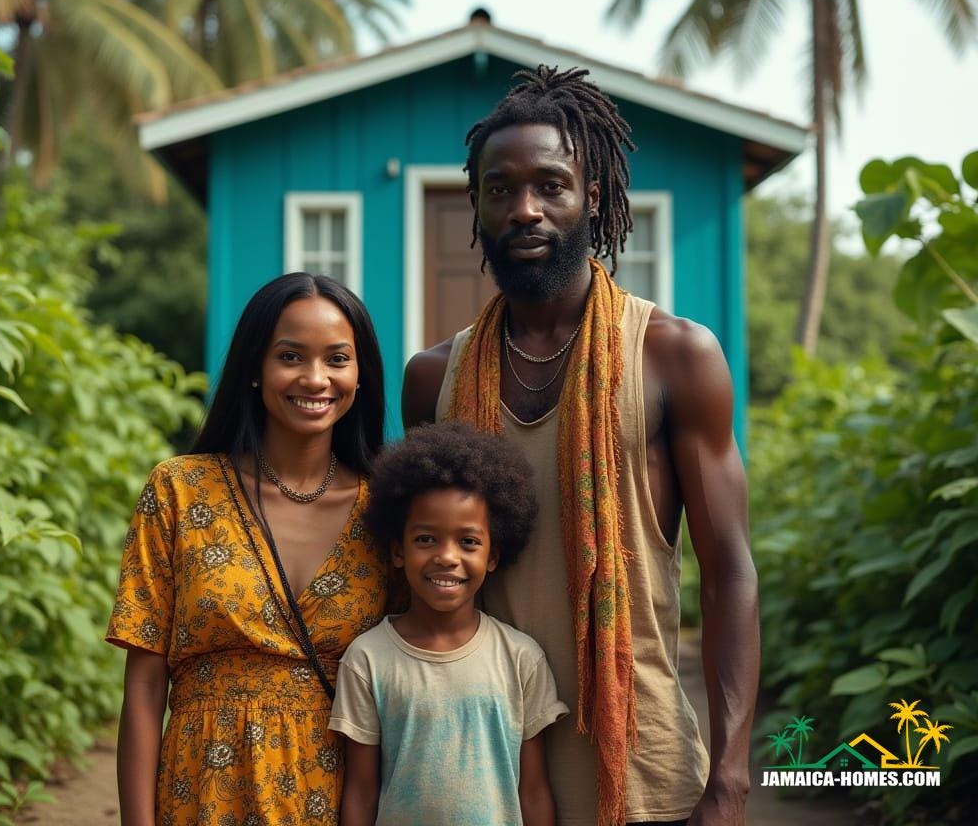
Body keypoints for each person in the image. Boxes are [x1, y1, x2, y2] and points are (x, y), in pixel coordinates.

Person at [402, 66, 760, 826]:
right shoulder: (434, 378)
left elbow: (730, 573)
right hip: (482, 771)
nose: (525, 208)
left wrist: (729, 781)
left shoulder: (673, 356)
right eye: (501, 189)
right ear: (477, 207)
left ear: (591, 198)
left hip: (637, 770)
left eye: (550, 186)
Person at [107, 272, 389, 826]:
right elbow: (144, 685)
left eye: (337, 359)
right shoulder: (180, 490)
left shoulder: (389, 510)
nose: (315, 378)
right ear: (255, 369)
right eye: (290, 356)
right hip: (202, 791)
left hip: (338, 795)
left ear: (360, 376)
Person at [330, 420, 568, 826]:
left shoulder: (521, 659)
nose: (447, 557)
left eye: (468, 542)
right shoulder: (367, 659)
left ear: (493, 557)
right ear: (398, 551)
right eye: (426, 539)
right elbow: (361, 792)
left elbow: (533, 792)